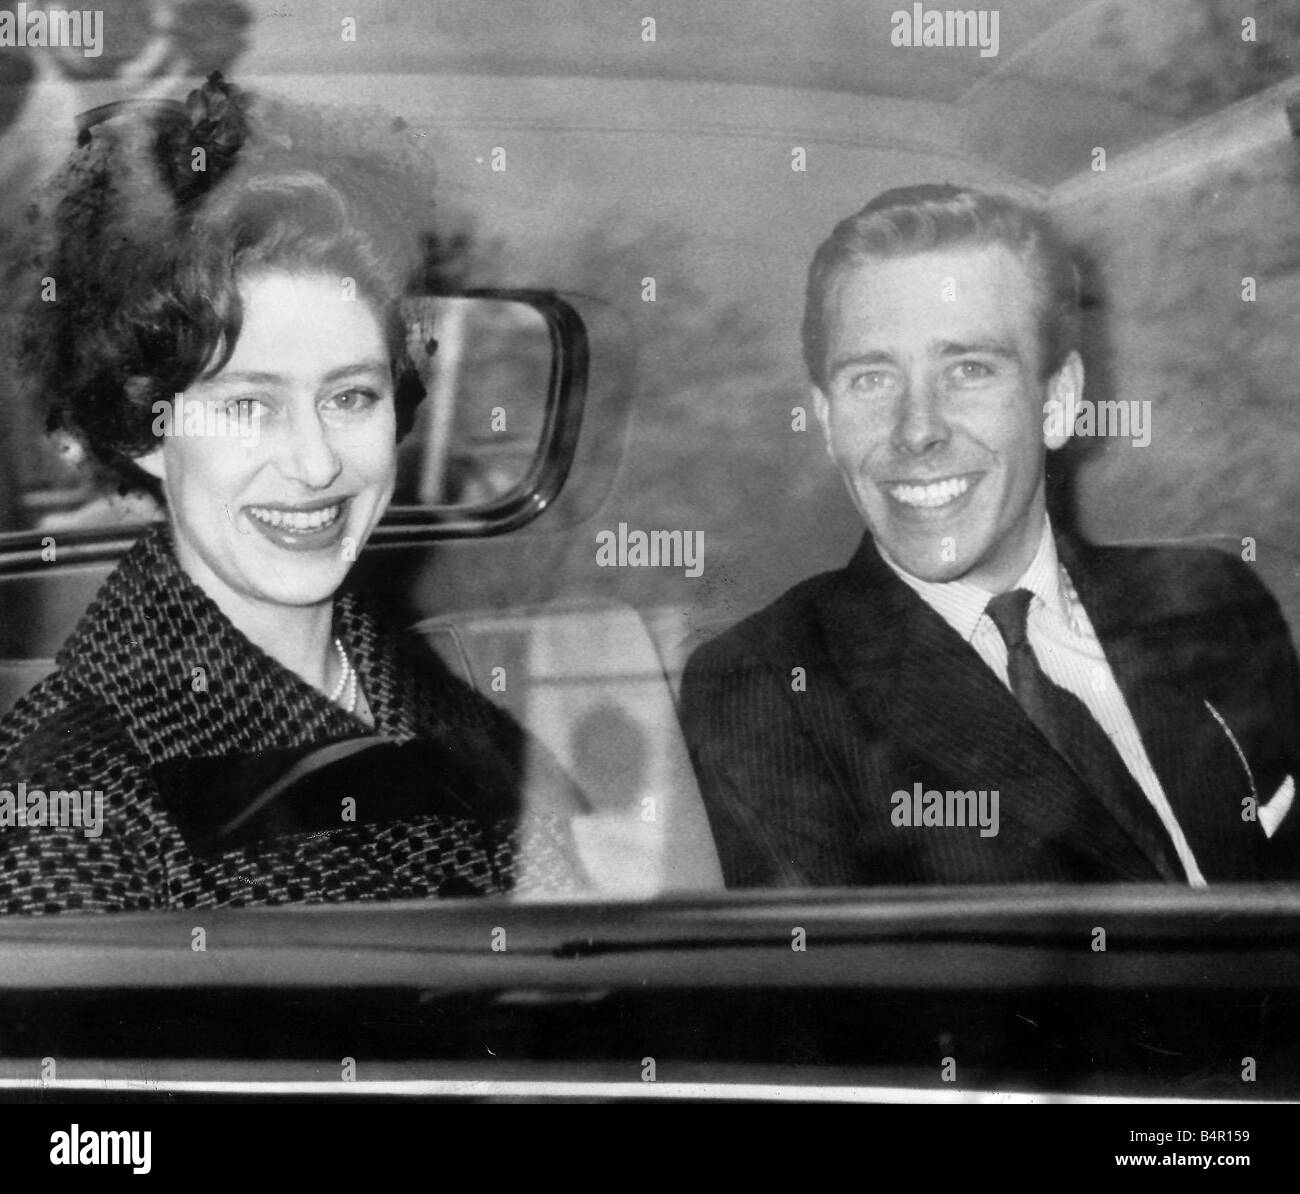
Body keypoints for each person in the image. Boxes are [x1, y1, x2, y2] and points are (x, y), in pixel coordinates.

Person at [0, 75, 586, 913]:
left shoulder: (454, 722)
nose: (315, 465)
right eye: (249, 405)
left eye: (350, 397)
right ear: (145, 431)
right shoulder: (69, 801)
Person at [680, 183, 1300, 888]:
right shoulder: (768, 684)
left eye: (968, 369)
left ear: (1058, 401)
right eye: (872, 378)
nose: (918, 429)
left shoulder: (1212, 603)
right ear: (825, 419)